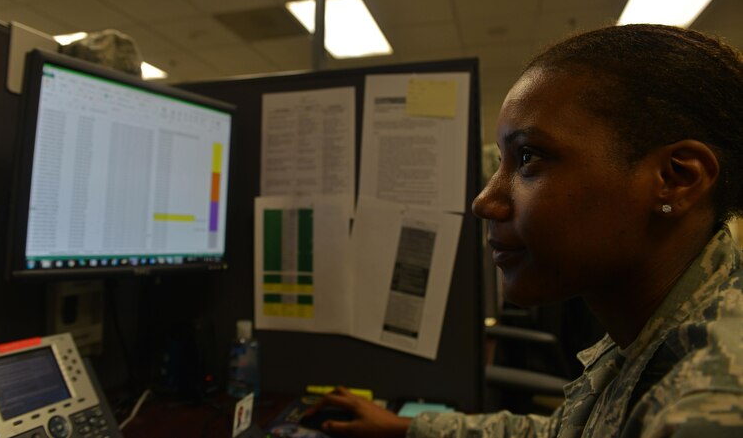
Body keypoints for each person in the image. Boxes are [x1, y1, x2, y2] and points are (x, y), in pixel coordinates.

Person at [306, 24, 743, 437]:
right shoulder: (657, 325)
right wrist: (410, 429)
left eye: (530, 157)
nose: (484, 201)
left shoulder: (704, 408)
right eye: (503, 161)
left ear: (677, 179)